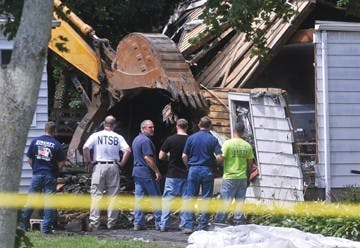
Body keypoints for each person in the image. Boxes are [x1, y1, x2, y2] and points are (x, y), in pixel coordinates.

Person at [83, 115, 131, 231]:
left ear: (104, 124)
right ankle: (111, 223)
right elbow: (128, 150)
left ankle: (94, 223)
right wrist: (122, 163)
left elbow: (85, 148)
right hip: (113, 166)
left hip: (99, 165)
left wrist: (89, 161)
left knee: (96, 196)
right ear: (114, 125)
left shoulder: (96, 135)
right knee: (113, 196)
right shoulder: (118, 137)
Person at [18, 121, 66, 234]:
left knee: (31, 200)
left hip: (37, 174)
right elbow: (62, 162)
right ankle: (46, 229)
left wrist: (35, 168)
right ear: (54, 131)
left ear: (45, 129)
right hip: (50, 175)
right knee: (49, 202)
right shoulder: (57, 144)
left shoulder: (35, 141)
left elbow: (29, 158)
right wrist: (55, 170)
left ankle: (22, 226)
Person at [182, 116, 223, 234]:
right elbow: (220, 157)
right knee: (206, 198)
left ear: (199, 125)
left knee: (190, 197)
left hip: (193, 169)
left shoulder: (191, 138)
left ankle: (189, 225)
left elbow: (184, 156)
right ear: (209, 126)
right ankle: (203, 225)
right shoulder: (213, 140)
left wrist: (188, 166)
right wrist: (215, 164)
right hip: (207, 170)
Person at [214, 121, 254, 225]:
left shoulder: (228, 144)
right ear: (243, 132)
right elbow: (250, 164)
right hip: (242, 177)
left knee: (225, 200)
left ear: (234, 130)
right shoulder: (247, 146)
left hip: (230, 177)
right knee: (240, 201)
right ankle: (238, 221)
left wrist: (214, 159)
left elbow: (221, 159)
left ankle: (220, 222)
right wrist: (248, 177)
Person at [158, 118, 189, 232]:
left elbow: (161, 156)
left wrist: (169, 158)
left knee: (168, 200)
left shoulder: (170, 140)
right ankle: (184, 224)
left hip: (172, 173)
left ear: (177, 126)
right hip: (186, 174)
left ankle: (164, 224)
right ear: (187, 127)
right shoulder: (190, 139)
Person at [132, 120, 162, 231]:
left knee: (139, 199)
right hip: (146, 173)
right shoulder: (145, 141)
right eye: (150, 127)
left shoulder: (136, 139)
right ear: (143, 128)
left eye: (153, 127)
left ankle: (138, 223)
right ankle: (160, 223)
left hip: (137, 172)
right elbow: (147, 158)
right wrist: (157, 171)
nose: (153, 129)